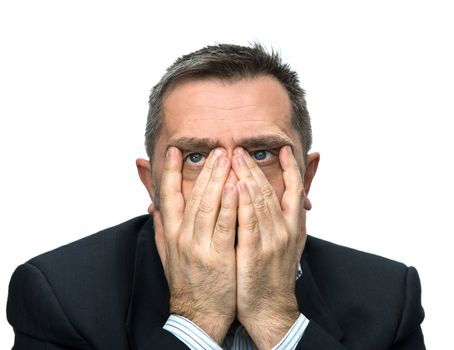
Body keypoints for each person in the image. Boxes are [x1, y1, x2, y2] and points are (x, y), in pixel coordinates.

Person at [7, 43, 425, 350]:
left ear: (306, 179)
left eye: (260, 154)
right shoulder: (59, 294)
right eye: (195, 157)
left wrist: (276, 318)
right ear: (152, 184)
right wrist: (197, 317)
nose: (228, 185)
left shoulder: (388, 298)